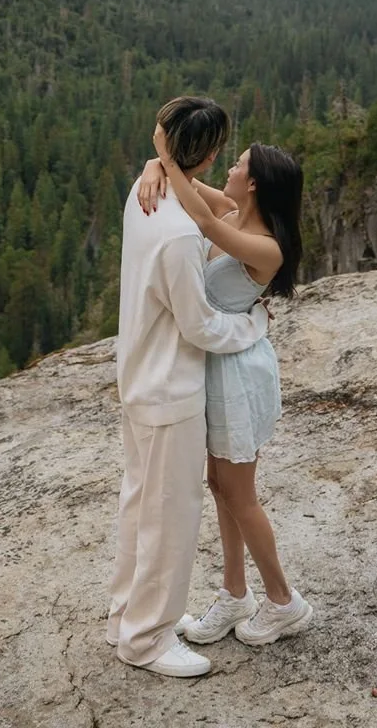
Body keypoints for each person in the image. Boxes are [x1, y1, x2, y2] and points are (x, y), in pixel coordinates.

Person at [107, 96, 271, 679]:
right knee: (170, 516)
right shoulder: (179, 232)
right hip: (171, 389)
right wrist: (252, 324)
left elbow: (210, 210)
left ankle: (126, 614)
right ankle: (147, 640)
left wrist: (157, 164)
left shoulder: (144, 193)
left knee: (138, 503)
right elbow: (199, 325)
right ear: (208, 154)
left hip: (137, 376)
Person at [137, 129, 314, 648]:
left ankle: (284, 601)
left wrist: (166, 155)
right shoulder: (241, 216)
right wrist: (156, 166)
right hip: (218, 365)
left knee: (240, 493)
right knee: (220, 486)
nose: (229, 172)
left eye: (237, 166)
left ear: (254, 183)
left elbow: (202, 215)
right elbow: (187, 184)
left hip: (237, 375)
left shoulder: (264, 246)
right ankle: (235, 593)